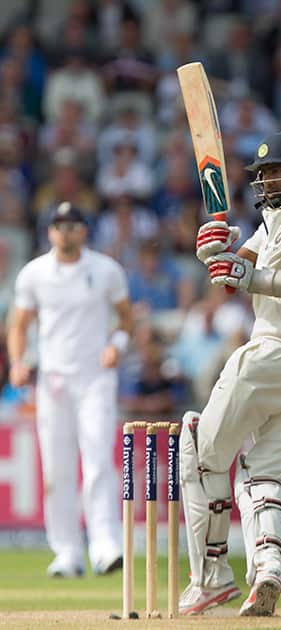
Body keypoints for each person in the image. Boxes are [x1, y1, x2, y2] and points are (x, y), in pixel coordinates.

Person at [179, 132, 281, 616]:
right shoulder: (277, 214)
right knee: (262, 470)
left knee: (199, 447)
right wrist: (215, 253)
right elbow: (237, 270)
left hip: (280, 352)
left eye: (277, 171)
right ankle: (270, 566)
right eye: (264, 174)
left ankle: (210, 576)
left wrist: (249, 277)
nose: (269, 180)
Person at [7, 202, 133, 578]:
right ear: (50, 232)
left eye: (72, 225)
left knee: (96, 460)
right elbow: (19, 324)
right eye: (59, 226)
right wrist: (17, 362)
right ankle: (66, 551)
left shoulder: (105, 270)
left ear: (84, 231)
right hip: (54, 381)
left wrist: (118, 345)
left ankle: (105, 544)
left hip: (95, 377)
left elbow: (126, 318)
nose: (65, 231)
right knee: (57, 468)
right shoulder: (34, 274)